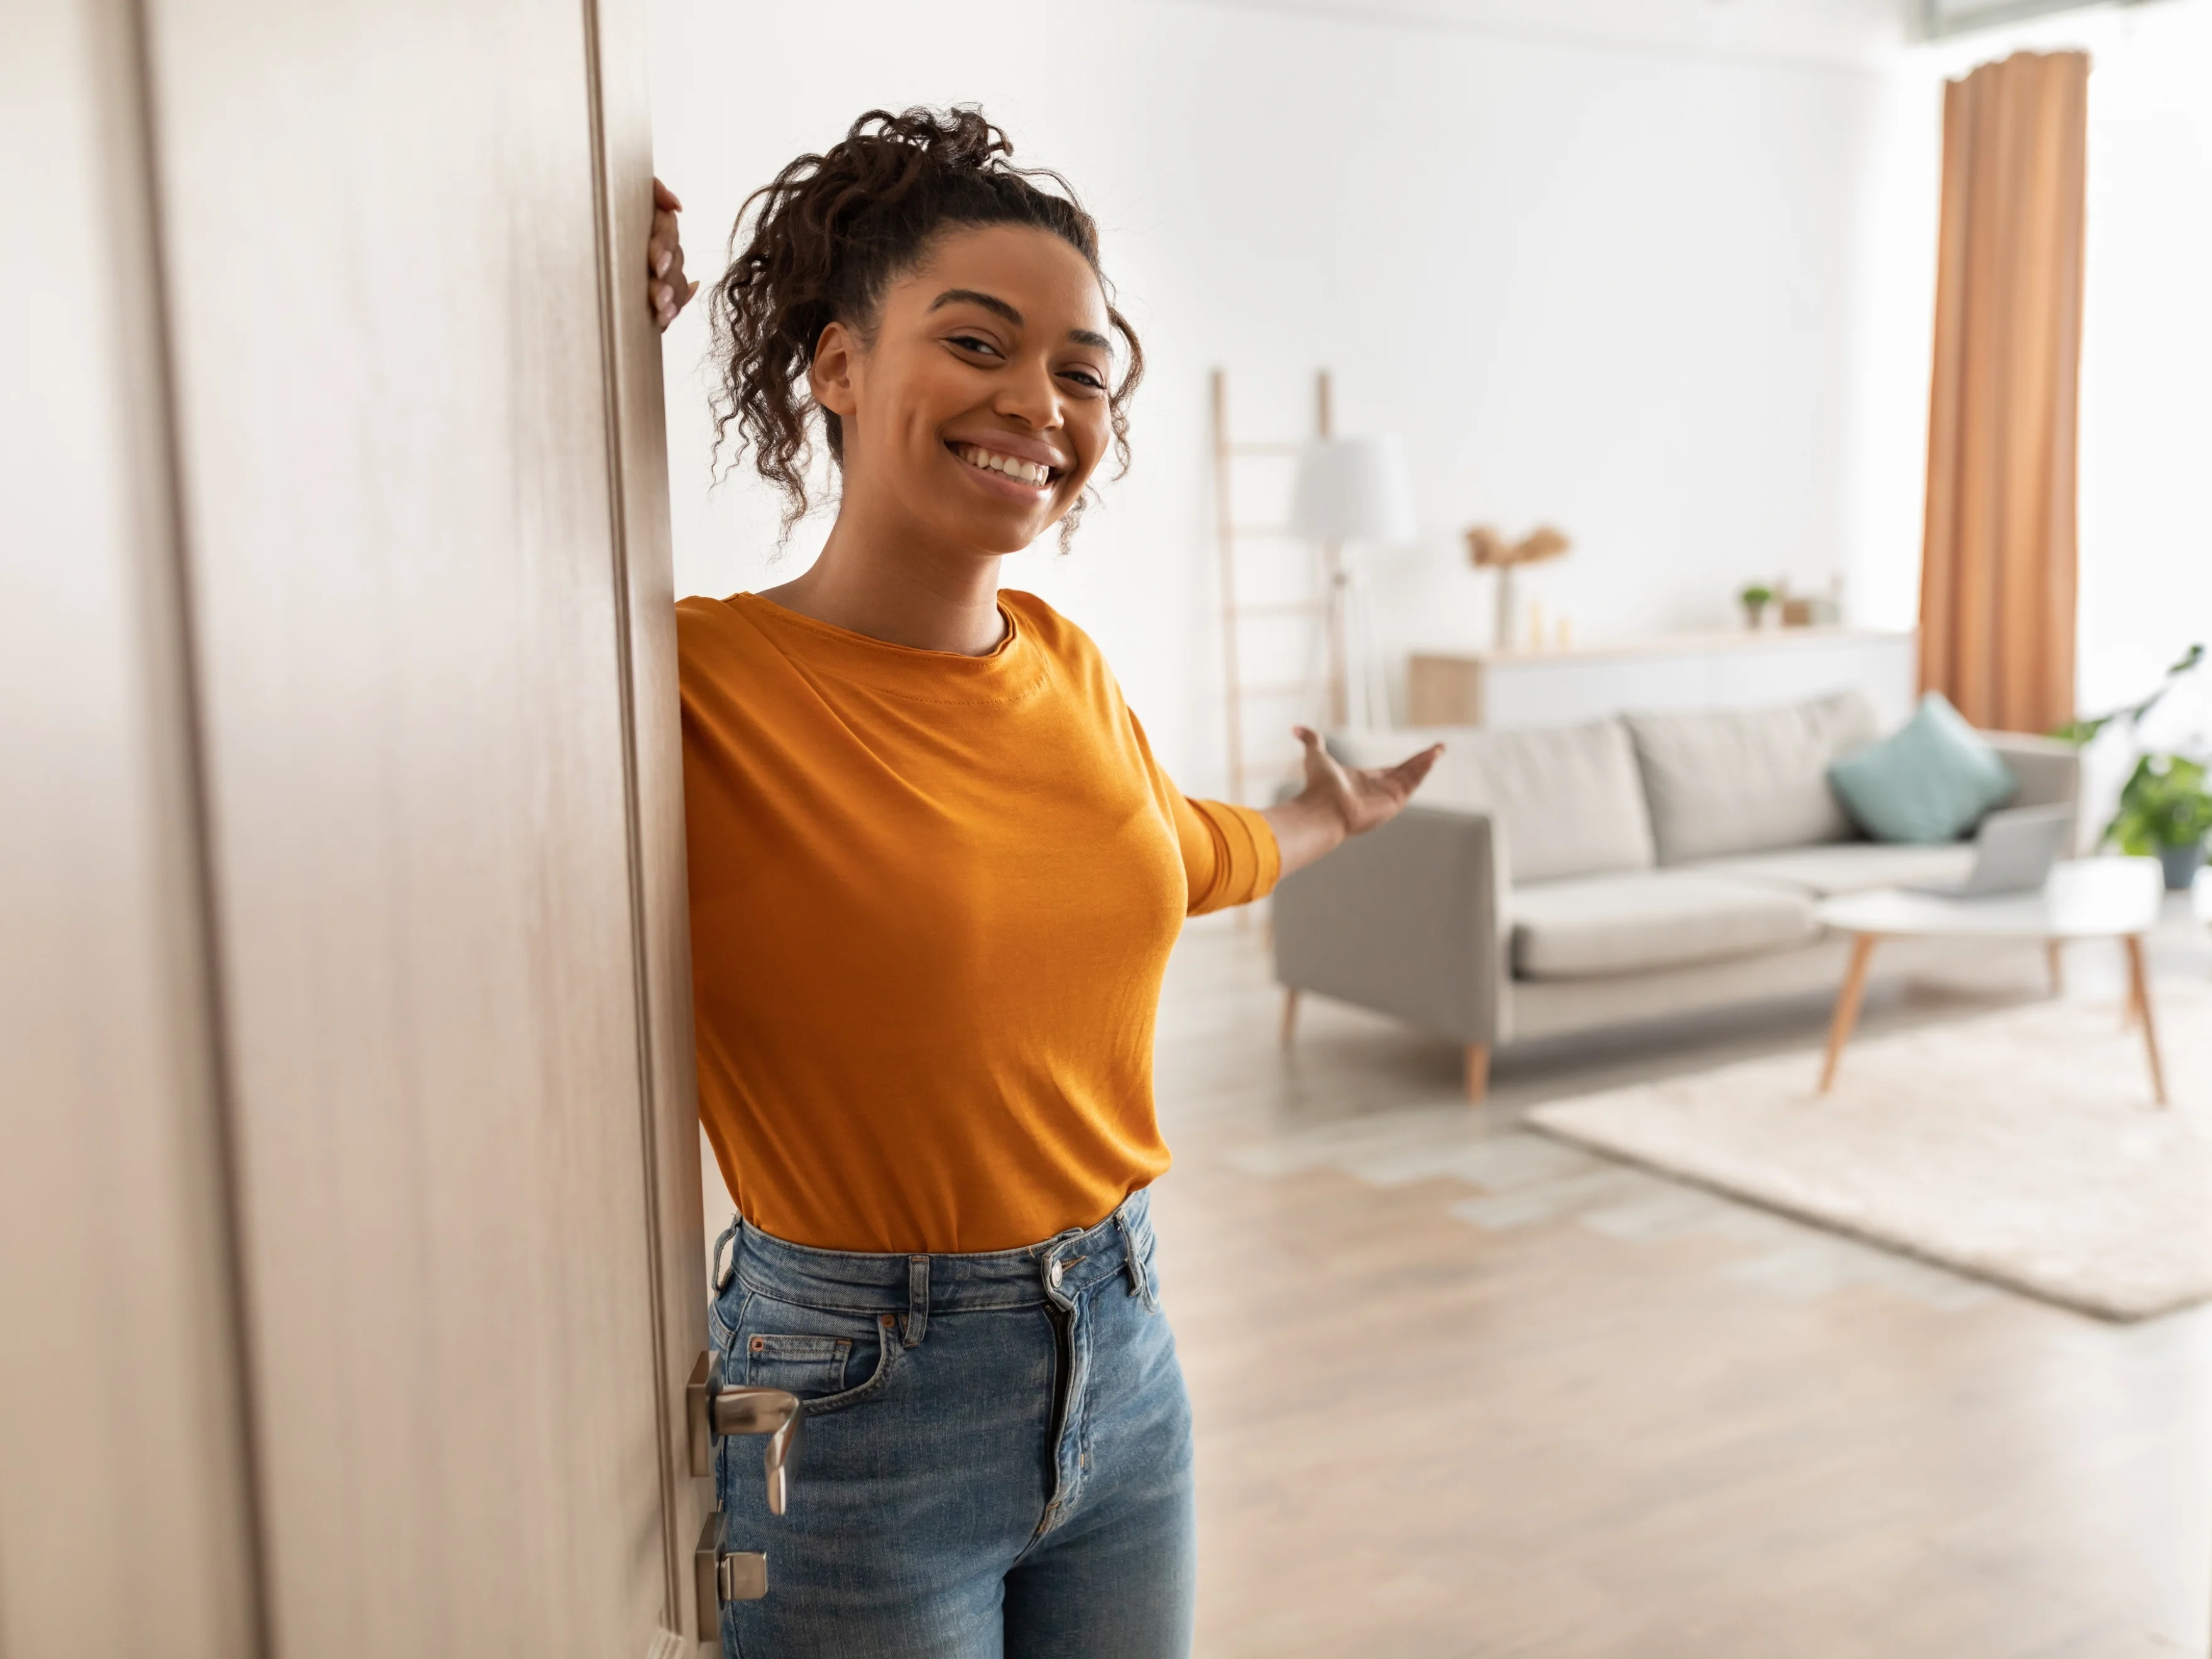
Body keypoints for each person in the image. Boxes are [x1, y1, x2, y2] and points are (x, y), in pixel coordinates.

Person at [645, 107, 1439, 1659]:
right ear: (837, 365)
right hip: (850, 1406)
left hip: (1125, 1354)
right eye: (978, 343)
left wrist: (1321, 818)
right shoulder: (693, 685)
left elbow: (1168, 856)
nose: (1039, 402)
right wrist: (542, 323)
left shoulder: (1065, 669)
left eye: (1081, 370)